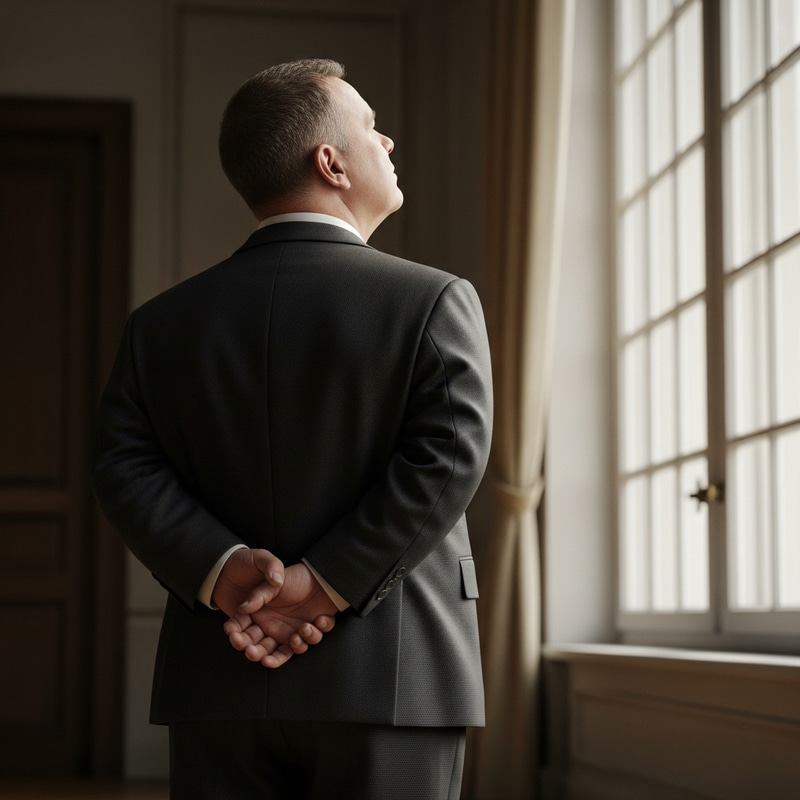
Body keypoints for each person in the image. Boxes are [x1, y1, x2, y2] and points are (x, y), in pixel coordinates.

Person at [92, 58, 493, 800]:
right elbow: (449, 458)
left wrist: (225, 572)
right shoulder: (435, 300)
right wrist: (321, 588)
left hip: (219, 672)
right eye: (372, 127)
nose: (391, 142)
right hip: (395, 677)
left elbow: (123, 467)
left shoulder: (160, 325)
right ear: (331, 163)